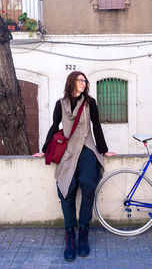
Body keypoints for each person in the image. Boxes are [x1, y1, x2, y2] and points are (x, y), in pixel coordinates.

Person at [33, 71, 116, 262]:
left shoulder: (90, 103)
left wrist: (103, 150)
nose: (83, 83)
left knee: (88, 185)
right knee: (66, 190)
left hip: (87, 149)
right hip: (68, 152)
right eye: (80, 80)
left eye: (85, 81)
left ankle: (84, 232)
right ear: (72, 82)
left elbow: (96, 126)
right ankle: (70, 233)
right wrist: (45, 149)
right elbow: (55, 126)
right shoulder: (60, 104)